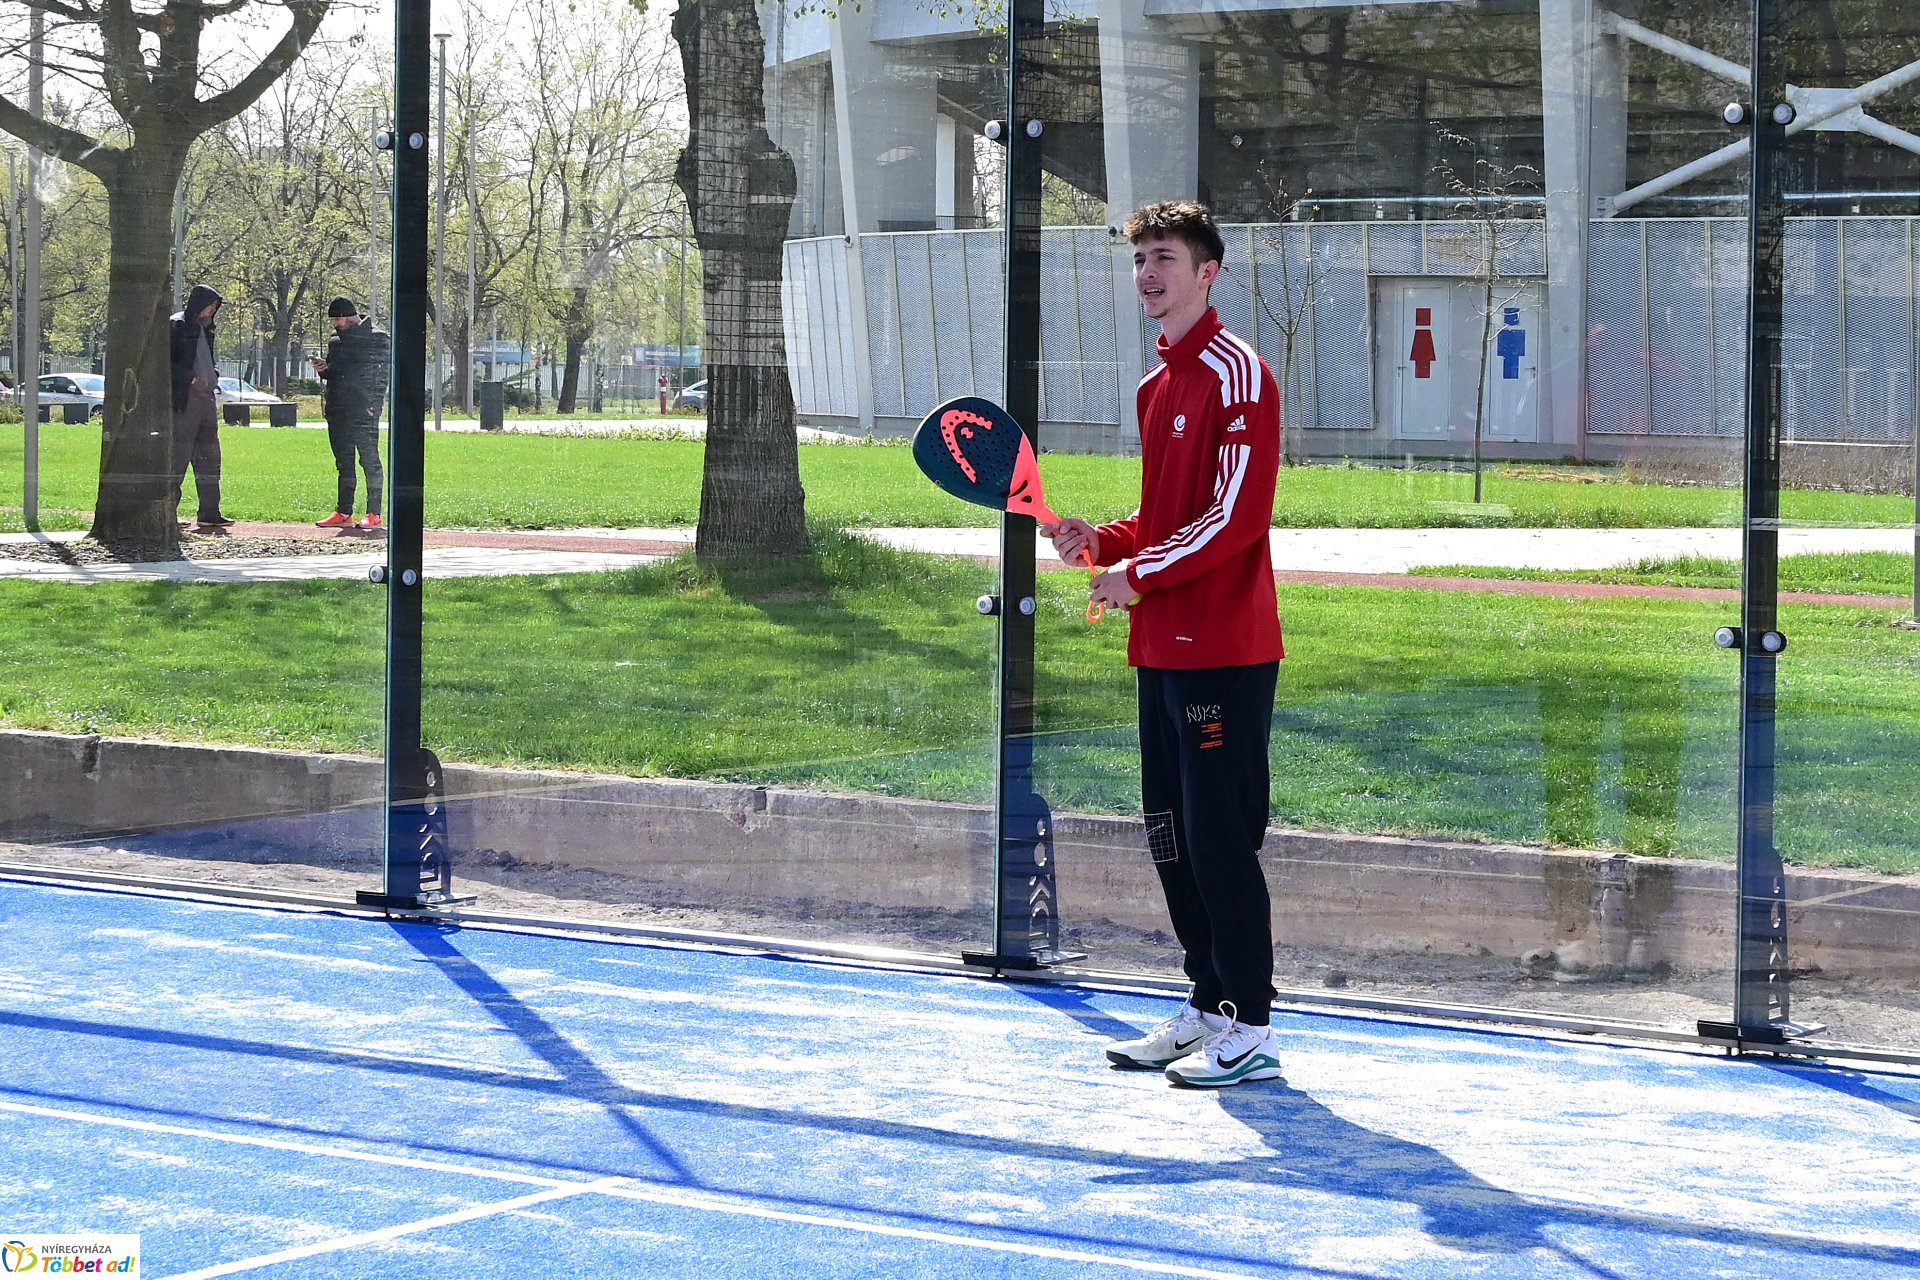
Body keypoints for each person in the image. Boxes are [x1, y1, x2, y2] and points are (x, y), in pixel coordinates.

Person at [1047, 200, 1285, 1088]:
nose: (1148, 273)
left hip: (1225, 647)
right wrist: (1102, 541)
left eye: (1165, 258)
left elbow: (1234, 518)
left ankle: (1252, 1024)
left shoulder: (1240, 375)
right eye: (1140, 258)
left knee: (1222, 839)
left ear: (1207, 272)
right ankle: (1205, 1003)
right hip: (1160, 651)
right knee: (1171, 835)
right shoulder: (1157, 386)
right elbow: (1169, 516)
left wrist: (1138, 577)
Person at [311, 297, 390, 530]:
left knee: (369, 460)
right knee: (343, 462)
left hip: (363, 408)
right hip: (337, 407)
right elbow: (336, 372)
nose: (335, 324)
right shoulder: (336, 340)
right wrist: (324, 370)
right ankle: (344, 511)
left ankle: (374, 512)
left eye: (337, 319)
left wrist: (374, 405)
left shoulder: (376, 337)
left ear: (348, 315)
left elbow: (381, 375)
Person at [170, 283, 233, 531]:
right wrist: (189, 378)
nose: (212, 310)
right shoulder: (178, 325)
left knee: (210, 457)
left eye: (215, 307)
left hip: (206, 398)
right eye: (210, 305)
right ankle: (168, 513)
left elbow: (206, 357)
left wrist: (212, 373)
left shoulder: (207, 329)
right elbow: (167, 360)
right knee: (178, 458)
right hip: (186, 400)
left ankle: (209, 512)